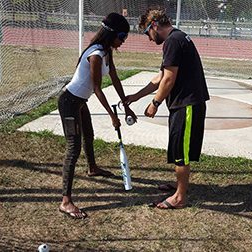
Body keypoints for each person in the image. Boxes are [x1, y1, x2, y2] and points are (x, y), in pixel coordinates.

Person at [126, 9, 209, 209]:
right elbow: (161, 77)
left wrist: (155, 103)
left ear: (154, 25)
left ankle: (180, 197)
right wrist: (135, 97)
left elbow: (169, 79)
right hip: (183, 104)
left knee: (181, 151)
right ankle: (179, 185)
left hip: (187, 104)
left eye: (147, 32)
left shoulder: (173, 41)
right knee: (178, 148)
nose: (149, 38)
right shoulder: (177, 38)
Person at [58, 13, 137, 219]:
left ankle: (92, 168)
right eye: (121, 36)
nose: (123, 41)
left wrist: (126, 105)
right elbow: (97, 89)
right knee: (73, 148)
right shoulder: (95, 54)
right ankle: (65, 201)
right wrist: (112, 116)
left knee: (89, 135)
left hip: (80, 102)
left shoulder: (106, 52)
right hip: (69, 102)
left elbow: (115, 77)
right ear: (111, 34)